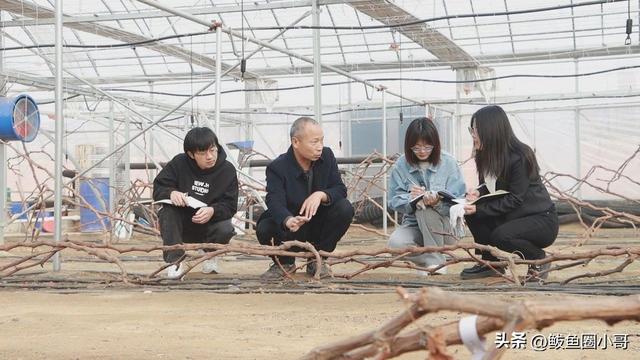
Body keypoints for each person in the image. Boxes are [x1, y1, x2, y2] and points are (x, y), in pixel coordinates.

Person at [461, 105, 558, 281]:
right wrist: (478, 191)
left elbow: (515, 198)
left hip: (540, 219)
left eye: (475, 130)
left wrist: (480, 209)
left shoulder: (520, 156)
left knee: (501, 236)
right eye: (471, 129)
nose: (473, 135)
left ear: (490, 130)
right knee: (471, 211)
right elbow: (491, 186)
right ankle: (490, 263)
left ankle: (539, 258)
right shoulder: (485, 155)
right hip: (512, 216)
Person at [256, 117, 354, 281]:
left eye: (321, 141)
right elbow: (274, 200)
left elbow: (340, 189)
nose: (320, 147)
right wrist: (287, 219)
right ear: (296, 142)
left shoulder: (327, 157)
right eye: (314, 142)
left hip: (319, 224)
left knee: (344, 208)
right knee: (265, 225)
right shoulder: (278, 167)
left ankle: (318, 259)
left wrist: (321, 195)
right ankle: (284, 262)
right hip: (292, 228)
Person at [153, 127, 238, 279]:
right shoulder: (179, 163)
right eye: (202, 153)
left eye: (213, 150)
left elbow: (230, 205)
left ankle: (210, 254)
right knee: (167, 212)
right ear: (191, 154)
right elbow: (159, 187)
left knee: (225, 227)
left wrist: (213, 210)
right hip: (183, 224)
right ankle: (175, 262)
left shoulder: (227, 170)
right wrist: (171, 193)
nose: (210, 156)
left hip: (209, 224)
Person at [387, 117, 466, 276]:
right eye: (416, 148)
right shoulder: (401, 166)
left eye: (427, 147)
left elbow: (460, 199)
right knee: (395, 245)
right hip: (415, 226)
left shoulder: (449, 163)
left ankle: (436, 263)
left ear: (435, 145)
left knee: (426, 208)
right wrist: (411, 199)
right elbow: (393, 200)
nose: (422, 151)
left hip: (445, 228)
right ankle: (432, 260)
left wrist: (437, 202)